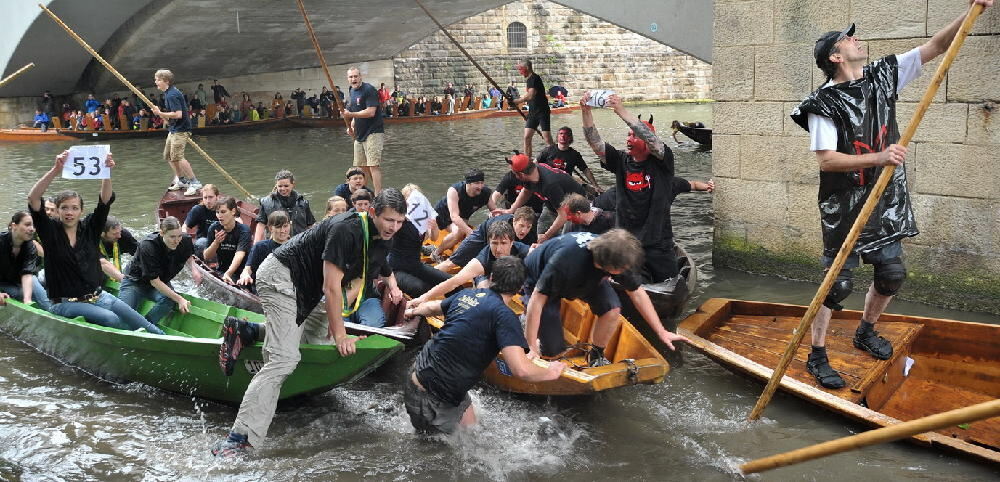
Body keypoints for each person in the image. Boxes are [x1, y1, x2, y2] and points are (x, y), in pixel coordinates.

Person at [787, 1, 994, 388]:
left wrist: (973, 11)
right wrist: (882, 156)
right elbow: (827, 161)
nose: (857, 39)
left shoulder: (883, 76)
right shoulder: (823, 105)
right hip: (845, 203)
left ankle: (866, 331)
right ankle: (816, 354)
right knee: (838, 284)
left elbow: (933, 47)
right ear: (835, 56)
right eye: (848, 39)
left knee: (892, 273)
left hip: (886, 198)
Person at [211, 189, 407, 456]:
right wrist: (340, 334)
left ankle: (247, 330)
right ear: (372, 212)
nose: (393, 227)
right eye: (388, 220)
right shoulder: (345, 229)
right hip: (280, 275)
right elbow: (331, 287)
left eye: (399, 222)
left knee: (316, 343)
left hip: (308, 289)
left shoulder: (385, 239)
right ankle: (239, 438)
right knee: (283, 360)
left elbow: (357, 281)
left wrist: (335, 324)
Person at [403, 256, 565, 434]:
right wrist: (551, 371)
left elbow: (433, 307)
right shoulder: (505, 317)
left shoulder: (468, 294)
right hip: (431, 397)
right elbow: (521, 370)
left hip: (421, 373)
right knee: (445, 451)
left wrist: (412, 310)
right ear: (519, 289)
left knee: (473, 429)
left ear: (491, 278)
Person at [27, 150, 164, 334]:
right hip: (64, 303)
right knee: (111, 318)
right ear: (58, 211)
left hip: (99, 296)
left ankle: (160, 337)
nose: (69, 212)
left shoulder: (89, 229)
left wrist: (106, 172)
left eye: (74, 208)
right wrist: (55, 170)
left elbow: (105, 201)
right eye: (64, 208)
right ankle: (133, 339)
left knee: (145, 324)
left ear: (81, 211)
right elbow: (33, 198)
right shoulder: (50, 231)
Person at [522, 230, 689, 365]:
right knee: (553, 350)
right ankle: (528, 326)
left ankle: (595, 357)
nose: (627, 270)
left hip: (586, 278)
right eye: (623, 269)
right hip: (540, 279)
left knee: (612, 308)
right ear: (610, 267)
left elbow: (637, 294)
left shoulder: (618, 254)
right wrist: (531, 348)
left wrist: (661, 331)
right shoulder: (565, 261)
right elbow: (537, 301)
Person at [580, 92, 685, 284]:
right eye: (628, 134)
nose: (629, 138)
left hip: (658, 242)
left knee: (671, 283)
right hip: (626, 242)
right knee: (625, 284)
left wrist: (620, 110)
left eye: (635, 135)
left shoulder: (663, 161)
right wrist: (586, 112)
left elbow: (652, 140)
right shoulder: (621, 160)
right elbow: (596, 144)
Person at [414, 221, 531, 308]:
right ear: (489, 242)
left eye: (503, 243)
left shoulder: (527, 253)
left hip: (517, 280)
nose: (499, 249)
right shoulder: (483, 259)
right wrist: (423, 298)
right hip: (488, 276)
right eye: (494, 243)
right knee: (485, 297)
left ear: (512, 242)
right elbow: (454, 281)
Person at [119, 216, 198, 326]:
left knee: (170, 299)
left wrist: (194, 269)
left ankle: (147, 325)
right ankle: (137, 326)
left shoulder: (185, 240)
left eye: (179, 236)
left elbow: (188, 255)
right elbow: (154, 281)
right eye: (172, 237)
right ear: (161, 233)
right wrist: (180, 299)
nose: (177, 241)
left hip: (161, 280)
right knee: (122, 317)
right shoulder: (147, 245)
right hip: (135, 282)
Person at [497, 153, 585, 243]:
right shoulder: (532, 173)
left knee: (564, 239)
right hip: (551, 203)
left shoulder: (550, 185)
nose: (514, 176)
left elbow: (563, 215)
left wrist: (547, 235)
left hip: (574, 208)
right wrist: (511, 210)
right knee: (541, 233)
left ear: (520, 175)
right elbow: (526, 191)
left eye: (514, 174)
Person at [388, 184, 450, 298]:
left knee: (451, 282)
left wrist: (435, 227)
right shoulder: (399, 221)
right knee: (421, 287)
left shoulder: (422, 219)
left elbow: (434, 238)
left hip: (415, 265)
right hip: (396, 268)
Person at [435, 206, 536, 273]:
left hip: (501, 243)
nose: (524, 230)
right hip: (481, 236)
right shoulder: (502, 225)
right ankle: (427, 275)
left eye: (528, 227)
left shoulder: (530, 233)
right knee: (452, 262)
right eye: (521, 225)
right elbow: (493, 251)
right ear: (514, 221)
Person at [151, 69, 202, 196]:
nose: (155, 82)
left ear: (166, 81)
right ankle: (181, 180)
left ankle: (194, 182)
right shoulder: (168, 93)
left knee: (178, 157)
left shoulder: (172, 95)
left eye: (158, 79)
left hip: (181, 130)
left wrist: (159, 113)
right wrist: (161, 113)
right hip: (173, 129)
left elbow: (178, 114)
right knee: (169, 156)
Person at [430, 169, 496, 260]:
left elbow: (494, 211)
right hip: (442, 215)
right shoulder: (454, 191)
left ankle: (446, 251)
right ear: (468, 183)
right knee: (459, 231)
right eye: (477, 183)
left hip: (461, 216)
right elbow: (454, 217)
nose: (480, 186)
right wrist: (470, 232)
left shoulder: (485, 193)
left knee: (461, 232)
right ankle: (436, 253)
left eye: (482, 182)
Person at [340, 66, 385, 193]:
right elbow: (355, 111)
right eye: (351, 77)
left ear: (360, 77)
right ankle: (364, 192)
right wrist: (352, 126)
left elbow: (371, 112)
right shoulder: (351, 91)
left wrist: (350, 115)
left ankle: (378, 194)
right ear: (348, 79)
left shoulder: (369, 89)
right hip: (360, 133)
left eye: (355, 76)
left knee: (373, 165)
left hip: (374, 132)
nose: (353, 79)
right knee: (361, 166)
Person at [0, 212, 52, 311]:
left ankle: (53, 314)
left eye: (33, 226)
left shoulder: (30, 246)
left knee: (40, 297)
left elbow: (27, 273)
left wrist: (27, 300)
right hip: (3, 283)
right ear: (14, 226)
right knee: (19, 293)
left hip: (22, 280)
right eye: (27, 225)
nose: (32, 229)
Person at [253, 170, 315, 243]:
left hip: (299, 244)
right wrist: (255, 244)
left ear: (293, 184)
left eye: (286, 186)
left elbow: (310, 225)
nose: (283, 189)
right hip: (276, 244)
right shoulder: (266, 203)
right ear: (276, 185)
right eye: (280, 186)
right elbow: (261, 225)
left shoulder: (303, 202)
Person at [536, 126, 602, 192]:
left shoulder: (574, 154)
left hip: (565, 183)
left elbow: (585, 170)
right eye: (561, 134)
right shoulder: (548, 150)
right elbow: (535, 163)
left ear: (570, 138)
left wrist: (595, 185)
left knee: (587, 190)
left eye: (566, 134)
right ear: (557, 137)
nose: (563, 136)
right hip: (548, 182)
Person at [238, 211, 291, 292]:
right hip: (261, 290)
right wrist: (245, 275)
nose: (283, 230)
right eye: (278, 227)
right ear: (270, 228)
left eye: (285, 226)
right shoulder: (260, 247)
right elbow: (248, 269)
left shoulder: (296, 249)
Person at [203, 196, 251, 285]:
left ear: (233, 211)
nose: (219, 216)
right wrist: (216, 242)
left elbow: (239, 254)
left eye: (223, 212)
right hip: (221, 269)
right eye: (217, 212)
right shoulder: (214, 228)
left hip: (241, 271)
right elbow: (206, 256)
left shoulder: (243, 230)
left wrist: (228, 273)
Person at [512, 60, 553, 159]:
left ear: (526, 68)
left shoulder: (534, 78)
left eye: (521, 69)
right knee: (527, 137)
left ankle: (555, 157)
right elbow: (529, 95)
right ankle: (527, 160)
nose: (520, 72)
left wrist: (517, 101)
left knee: (547, 139)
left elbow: (530, 95)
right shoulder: (530, 80)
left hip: (542, 112)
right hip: (533, 113)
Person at [182, 184, 220, 258]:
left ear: (217, 197)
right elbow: (185, 227)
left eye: (211, 197)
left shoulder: (223, 209)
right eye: (205, 198)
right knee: (202, 243)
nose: (208, 201)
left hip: (221, 240)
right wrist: (185, 241)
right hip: (204, 241)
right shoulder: (198, 210)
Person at [98, 216, 139, 282]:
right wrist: (124, 280)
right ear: (102, 234)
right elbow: (102, 263)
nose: (119, 236)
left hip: (115, 251)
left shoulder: (124, 235)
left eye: (119, 232)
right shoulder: (89, 239)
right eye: (115, 234)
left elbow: (140, 254)